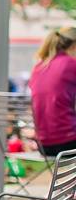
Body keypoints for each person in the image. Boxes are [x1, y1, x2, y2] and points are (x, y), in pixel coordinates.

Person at [29, 27, 76, 156]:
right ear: (73, 46)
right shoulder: (71, 64)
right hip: (68, 142)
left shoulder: (39, 66)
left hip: (44, 145)